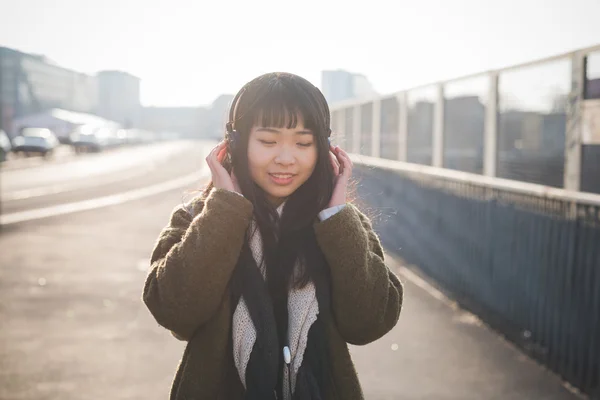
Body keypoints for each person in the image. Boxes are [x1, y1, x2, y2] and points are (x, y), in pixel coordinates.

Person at [143, 72, 403, 400]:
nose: (285, 158)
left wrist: (338, 218)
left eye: (303, 143)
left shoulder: (340, 227)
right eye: (268, 141)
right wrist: (224, 211)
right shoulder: (199, 218)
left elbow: (369, 323)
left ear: (323, 150)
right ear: (234, 145)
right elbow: (174, 312)